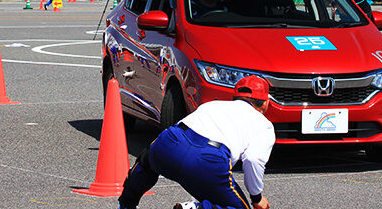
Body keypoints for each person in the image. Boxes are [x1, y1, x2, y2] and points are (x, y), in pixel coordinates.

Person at [118, 76, 275, 209]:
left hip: (171, 142)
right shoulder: (264, 125)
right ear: (266, 103)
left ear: (235, 97)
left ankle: (126, 204)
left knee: (146, 162)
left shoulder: (213, 105)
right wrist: (256, 198)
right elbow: (254, 159)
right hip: (207, 160)